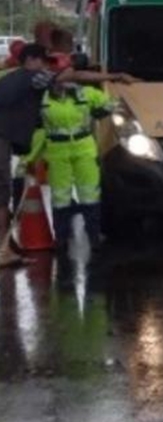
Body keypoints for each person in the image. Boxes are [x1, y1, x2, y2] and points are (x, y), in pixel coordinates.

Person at [0, 44, 138, 265]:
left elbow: (105, 102)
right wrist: (115, 76)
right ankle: (28, 246)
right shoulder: (36, 85)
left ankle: (9, 247)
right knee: (31, 195)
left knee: (87, 194)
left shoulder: (78, 92)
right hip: (36, 146)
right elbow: (72, 77)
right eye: (47, 64)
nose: (51, 70)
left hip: (76, 149)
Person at [23, 81, 115, 251]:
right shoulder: (41, 99)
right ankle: (61, 238)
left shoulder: (85, 93)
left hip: (84, 150)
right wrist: (30, 157)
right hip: (57, 153)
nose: (62, 84)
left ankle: (94, 236)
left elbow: (111, 104)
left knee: (90, 194)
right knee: (60, 196)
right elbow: (38, 131)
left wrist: (100, 110)